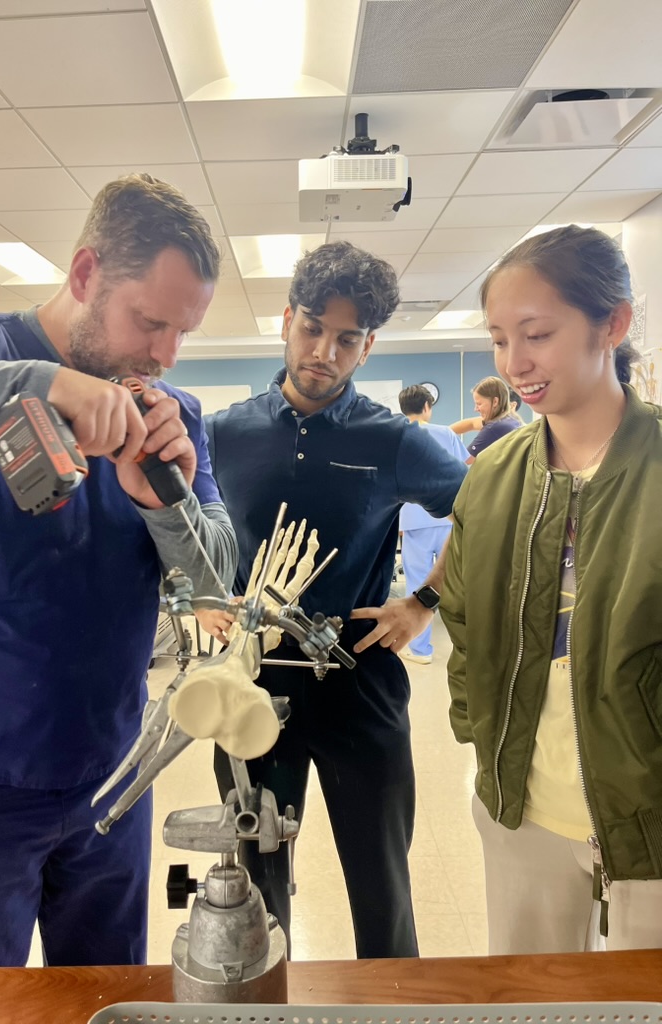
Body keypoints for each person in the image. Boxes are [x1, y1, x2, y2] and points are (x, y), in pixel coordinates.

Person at [0, 174, 237, 967]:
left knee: (107, 996)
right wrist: (34, 385)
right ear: (86, 275)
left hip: (112, 774)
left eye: (182, 333)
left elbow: (214, 582)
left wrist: (162, 499)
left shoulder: (171, 415)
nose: (164, 354)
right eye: (149, 322)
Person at [204, 240, 467, 959]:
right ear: (286, 320)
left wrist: (424, 599)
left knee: (380, 880)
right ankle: (265, 1004)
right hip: (254, 678)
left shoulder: (393, 440)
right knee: (256, 882)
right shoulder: (224, 434)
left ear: (368, 346)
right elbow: (183, 523)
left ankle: (392, 1005)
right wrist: (204, 598)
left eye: (347, 339)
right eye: (313, 328)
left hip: (358, 673)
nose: (324, 351)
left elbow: (483, 508)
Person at [440, 224, 662, 955]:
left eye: (537, 334)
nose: (516, 364)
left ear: (612, 324)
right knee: (529, 995)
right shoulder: (494, 478)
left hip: (648, 812)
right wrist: (479, 732)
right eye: (500, 340)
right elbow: (464, 621)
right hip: (522, 804)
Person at [397, 385, 469, 665]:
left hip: (413, 520)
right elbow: (463, 471)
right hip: (448, 518)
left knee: (417, 582)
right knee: (457, 582)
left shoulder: (397, 434)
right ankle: (467, 647)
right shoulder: (446, 433)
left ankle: (420, 650)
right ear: (427, 407)